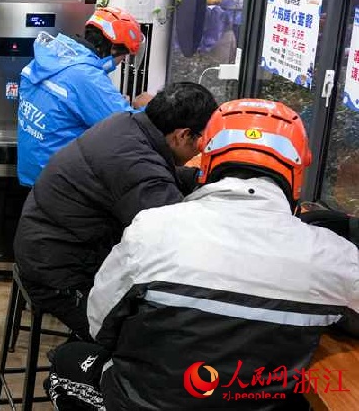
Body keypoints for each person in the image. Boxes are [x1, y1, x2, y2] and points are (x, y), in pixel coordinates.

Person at [44, 98, 359, 410]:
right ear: (297, 171)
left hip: (143, 402)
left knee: (65, 361)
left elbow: (99, 323)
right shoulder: (336, 256)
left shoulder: (152, 228)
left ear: (207, 159)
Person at [13, 81, 218, 340]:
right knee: (143, 336)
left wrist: (200, 178)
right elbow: (175, 232)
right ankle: (79, 359)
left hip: (51, 248)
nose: (202, 149)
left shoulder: (127, 124)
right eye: (202, 141)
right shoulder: (136, 161)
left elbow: (157, 176)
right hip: (59, 274)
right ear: (183, 135)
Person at [17, 7, 148, 187]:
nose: (122, 62)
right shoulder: (87, 76)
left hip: (35, 174)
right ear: (113, 49)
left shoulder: (52, 55)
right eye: (124, 55)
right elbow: (130, 130)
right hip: (61, 184)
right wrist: (147, 106)